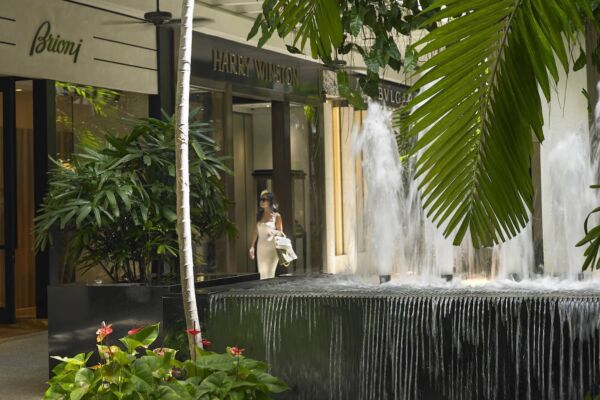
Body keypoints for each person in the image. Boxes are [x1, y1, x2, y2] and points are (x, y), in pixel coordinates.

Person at [249, 190, 284, 279]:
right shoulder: (259, 215)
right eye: (261, 199)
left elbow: (280, 232)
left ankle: (271, 293)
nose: (261, 201)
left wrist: (273, 232)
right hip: (261, 248)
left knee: (270, 274)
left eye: (264, 199)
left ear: (270, 201)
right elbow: (255, 231)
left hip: (272, 247)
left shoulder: (276, 216)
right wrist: (252, 246)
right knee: (262, 274)